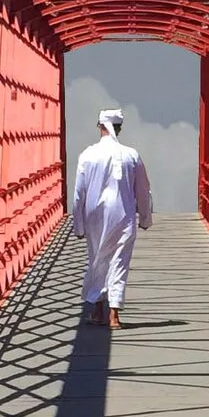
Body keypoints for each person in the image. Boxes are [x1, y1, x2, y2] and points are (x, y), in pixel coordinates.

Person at [69, 109, 152, 328]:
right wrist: (145, 218)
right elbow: (143, 190)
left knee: (97, 259)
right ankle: (114, 314)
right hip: (123, 214)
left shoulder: (87, 154)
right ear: (119, 128)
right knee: (119, 261)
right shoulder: (131, 155)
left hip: (94, 214)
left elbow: (79, 193)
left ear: (100, 127)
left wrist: (78, 225)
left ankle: (98, 311)